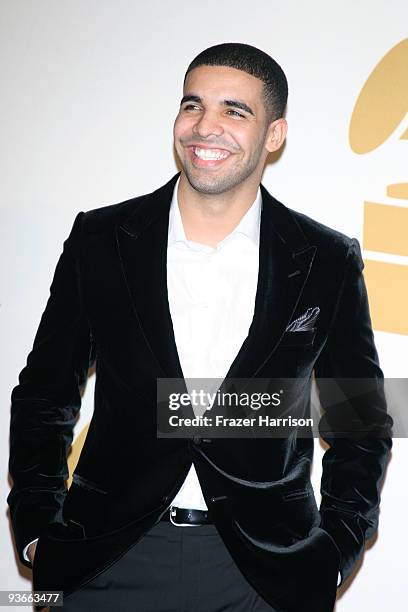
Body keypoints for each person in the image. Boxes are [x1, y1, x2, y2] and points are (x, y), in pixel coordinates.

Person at [7, 42, 392, 612]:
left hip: (264, 572)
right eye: (193, 106)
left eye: (235, 111)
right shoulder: (102, 240)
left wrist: (331, 551)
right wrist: (39, 529)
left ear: (274, 135)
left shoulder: (325, 259)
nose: (205, 127)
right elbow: (44, 396)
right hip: (105, 559)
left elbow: (359, 419)